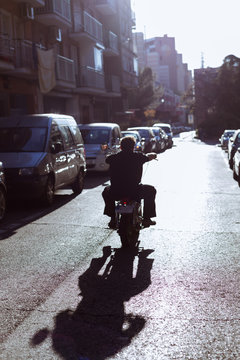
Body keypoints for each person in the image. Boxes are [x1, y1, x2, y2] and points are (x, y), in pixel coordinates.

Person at [102, 136, 157, 229]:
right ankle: (147, 218)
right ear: (133, 147)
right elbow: (149, 156)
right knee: (151, 190)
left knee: (106, 191)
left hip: (116, 191)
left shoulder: (113, 158)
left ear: (121, 147)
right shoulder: (139, 157)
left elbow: (107, 159)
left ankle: (112, 218)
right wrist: (153, 155)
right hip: (135, 191)